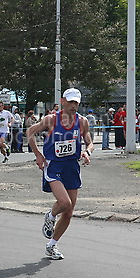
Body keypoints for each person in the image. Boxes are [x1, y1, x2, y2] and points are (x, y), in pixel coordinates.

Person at [26, 88, 94, 261]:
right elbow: (30, 133)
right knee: (64, 202)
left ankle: (51, 246)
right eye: (70, 102)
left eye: (76, 102)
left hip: (72, 166)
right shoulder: (51, 119)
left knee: (69, 211)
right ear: (63, 101)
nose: (73, 106)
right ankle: (50, 216)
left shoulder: (82, 121)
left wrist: (87, 152)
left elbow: (89, 141)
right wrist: (38, 155)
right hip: (54, 165)